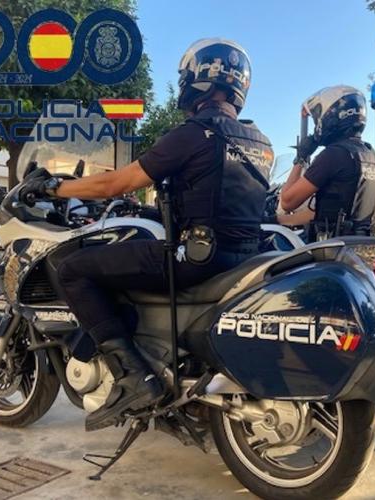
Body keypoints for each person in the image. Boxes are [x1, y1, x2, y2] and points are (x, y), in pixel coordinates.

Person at [18, 38, 273, 431]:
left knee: (73, 269)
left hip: (195, 259)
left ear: (197, 79)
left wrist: (54, 188)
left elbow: (116, 183)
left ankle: (133, 376)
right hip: (245, 255)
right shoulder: (261, 143)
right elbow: (219, 199)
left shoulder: (194, 133)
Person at [278, 86, 375, 239]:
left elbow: (287, 202)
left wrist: (300, 158)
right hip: (360, 241)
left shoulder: (334, 155)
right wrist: (278, 220)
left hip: (331, 245)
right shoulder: (372, 156)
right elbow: (324, 213)